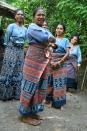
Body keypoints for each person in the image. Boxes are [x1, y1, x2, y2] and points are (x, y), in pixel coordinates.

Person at [18, 7, 55, 126]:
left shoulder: (42, 28)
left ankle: (33, 112)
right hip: (33, 60)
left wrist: (49, 39)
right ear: (34, 17)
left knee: (39, 86)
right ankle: (24, 115)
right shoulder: (32, 27)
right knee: (30, 85)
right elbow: (47, 38)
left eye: (43, 15)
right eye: (39, 15)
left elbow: (53, 40)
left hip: (43, 61)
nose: (41, 17)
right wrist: (48, 38)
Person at [0, 9, 27, 101]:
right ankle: (4, 94)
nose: (20, 16)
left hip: (20, 51)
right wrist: (7, 51)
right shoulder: (11, 26)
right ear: (15, 16)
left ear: (24, 17)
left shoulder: (25, 29)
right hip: (10, 50)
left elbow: (25, 42)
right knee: (8, 71)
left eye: (22, 14)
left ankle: (15, 94)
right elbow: (6, 40)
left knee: (18, 72)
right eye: (18, 14)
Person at [46, 23, 70, 109]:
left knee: (61, 83)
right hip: (51, 63)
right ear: (55, 29)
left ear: (63, 31)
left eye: (61, 29)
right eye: (57, 28)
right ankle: (48, 101)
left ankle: (59, 104)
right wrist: (51, 61)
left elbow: (67, 53)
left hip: (61, 64)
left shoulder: (66, 40)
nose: (59, 30)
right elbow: (48, 51)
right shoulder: (52, 39)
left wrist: (60, 62)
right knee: (50, 82)